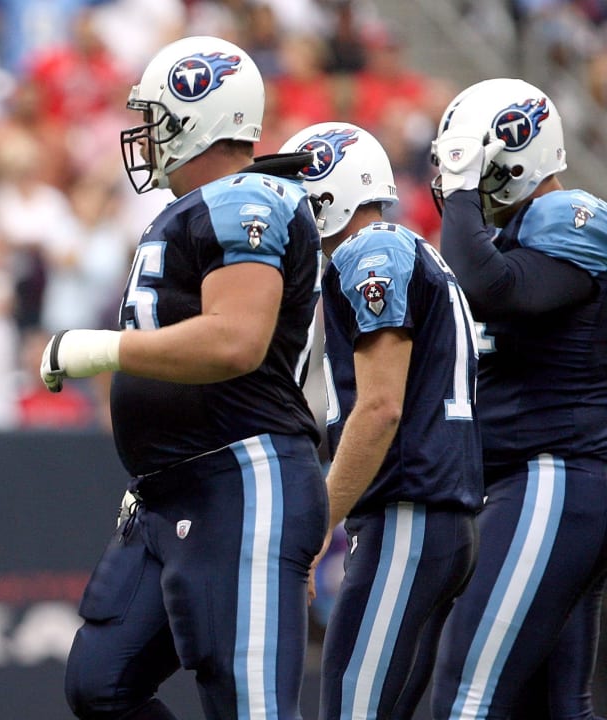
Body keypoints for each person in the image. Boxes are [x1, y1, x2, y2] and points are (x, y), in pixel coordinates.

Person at [40, 35, 329, 719]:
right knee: (100, 684)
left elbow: (235, 340)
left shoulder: (243, 198)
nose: (143, 134)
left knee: (247, 706)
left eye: (155, 116)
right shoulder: (195, 210)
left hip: (241, 480)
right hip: (173, 492)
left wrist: (102, 350)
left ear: (197, 113)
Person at [279, 122, 482, 718]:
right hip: (426, 519)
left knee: (352, 709)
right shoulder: (398, 248)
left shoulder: (373, 251)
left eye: (297, 184)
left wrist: (317, 528)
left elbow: (379, 407)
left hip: (410, 520)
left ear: (327, 189)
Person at [429, 77, 607, 719]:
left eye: (472, 157)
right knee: (554, 709)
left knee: (468, 698)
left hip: (555, 475)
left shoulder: (566, 215)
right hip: (547, 481)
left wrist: (458, 193)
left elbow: (492, 290)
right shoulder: (522, 233)